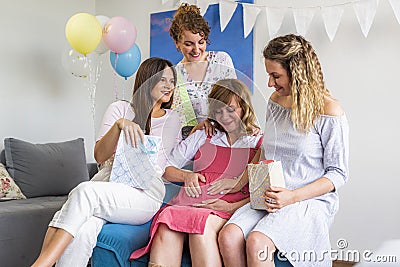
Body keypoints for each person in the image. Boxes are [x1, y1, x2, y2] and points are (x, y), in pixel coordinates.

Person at [31, 57, 182, 267]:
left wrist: (202, 132)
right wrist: (119, 126)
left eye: (172, 81)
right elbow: (99, 156)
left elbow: (167, 166)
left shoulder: (173, 119)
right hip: (109, 183)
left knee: (84, 191)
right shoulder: (119, 109)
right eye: (162, 79)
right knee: (84, 230)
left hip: (145, 193)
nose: (169, 86)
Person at [218, 34, 349, 267]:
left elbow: (337, 173)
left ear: (297, 73)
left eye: (275, 76)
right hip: (272, 196)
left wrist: (292, 197)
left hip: (307, 199)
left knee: (257, 242)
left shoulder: (329, 111)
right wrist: (239, 183)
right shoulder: (276, 101)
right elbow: (266, 148)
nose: (270, 83)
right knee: (228, 237)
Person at [130, 79, 263, 267]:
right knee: (167, 222)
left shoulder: (257, 143)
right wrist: (187, 176)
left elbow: (263, 192)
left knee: (200, 227)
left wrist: (232, 208)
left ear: (244, 108)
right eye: (219, 111)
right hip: (188, 203)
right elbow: (165, 169)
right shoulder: (203, 135)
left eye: (231, 109)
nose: (224, 117)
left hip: (223, 208)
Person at [169, 3, 237, 129]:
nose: (196, 50)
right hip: (194, 141)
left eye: (201, 42)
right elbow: (178, 120)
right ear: (177, 43)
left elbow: (238, 101)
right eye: (189, 44)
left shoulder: (222, 60)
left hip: (225, 134)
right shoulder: (174, 74)